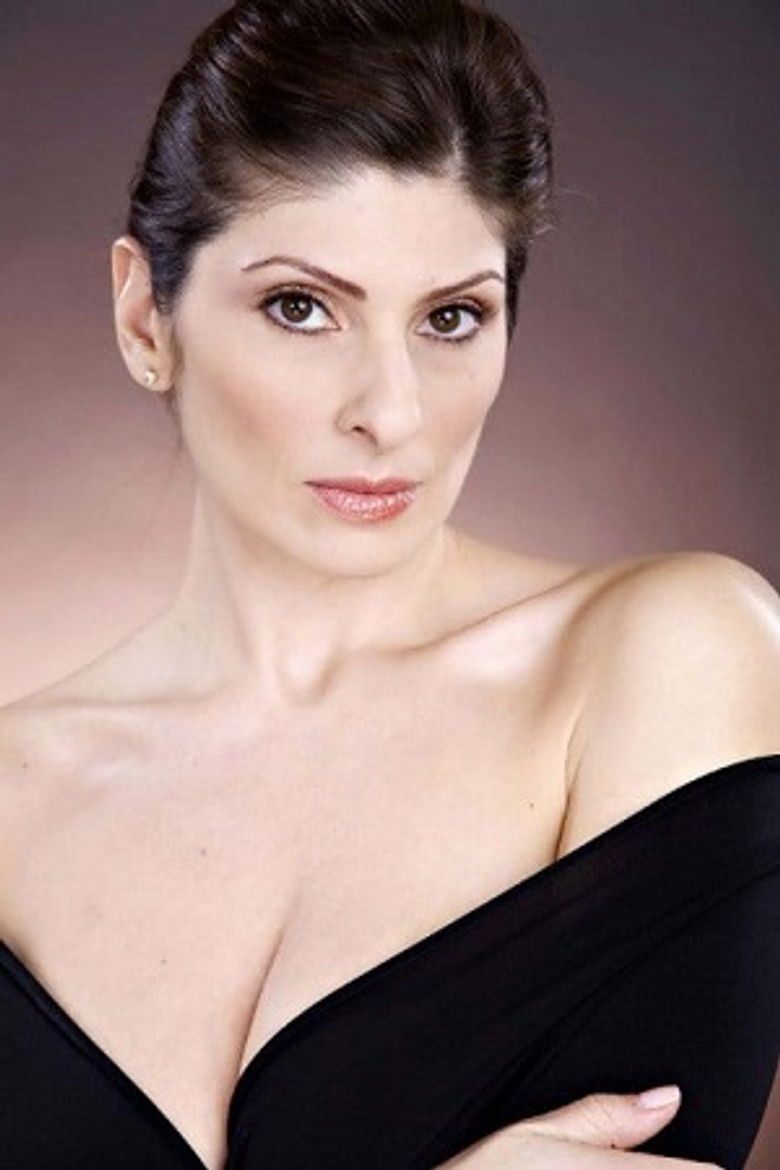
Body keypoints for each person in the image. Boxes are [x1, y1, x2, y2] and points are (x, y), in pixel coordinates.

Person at [0, 1, 777, 1168]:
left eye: (451, 318)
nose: (392, 412)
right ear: (144, 318)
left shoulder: (667, 659)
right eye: (301, 308)